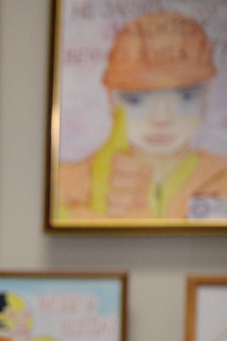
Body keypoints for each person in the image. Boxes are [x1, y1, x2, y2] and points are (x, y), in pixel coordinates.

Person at [57, 12, 227, 221]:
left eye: (186, 96)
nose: (162, 118)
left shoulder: (221, 177)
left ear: (207, 96)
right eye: (136, 99)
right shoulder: (67, 186)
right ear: (111, 99)